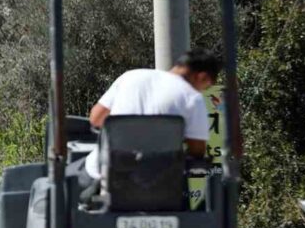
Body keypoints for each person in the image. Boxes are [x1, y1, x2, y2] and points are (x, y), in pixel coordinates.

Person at [77, 49, 221, 187]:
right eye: (206, 87)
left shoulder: (131, 76)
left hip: (103, 177)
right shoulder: (193, 98)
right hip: (159, 187)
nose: (202, 90)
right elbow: (196, 152)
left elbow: (96, 119)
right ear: (202, 77)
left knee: (71, 174)